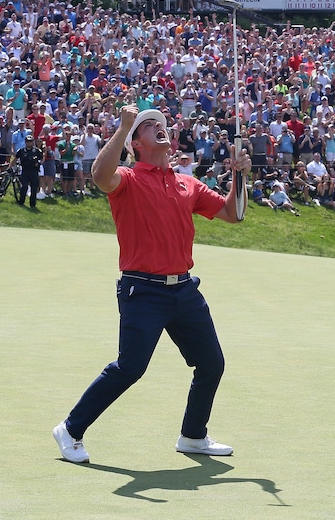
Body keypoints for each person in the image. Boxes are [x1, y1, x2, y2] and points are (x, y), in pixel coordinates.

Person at [53, 106, 251, 464]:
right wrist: (125, 125)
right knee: (130, 368)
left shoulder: (186, 183)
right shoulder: (127, 178)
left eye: (162, 126)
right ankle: (70, 428)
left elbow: (233, 214)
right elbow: (100, 175)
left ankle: (193, 436)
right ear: (136, 145)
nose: (161, 129)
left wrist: (239, 176)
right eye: (149, 126)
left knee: (212, 364)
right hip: (142, 290)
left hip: (184, 290)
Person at [13, 133, 43, 207]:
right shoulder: (21, 151)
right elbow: (15, 159)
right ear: (25, 142)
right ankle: (21, 202)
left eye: (30, 141)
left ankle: (32, 204)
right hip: (25, 171)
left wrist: (38, 164)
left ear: (33, 142)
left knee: (34, 188)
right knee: (24, 187)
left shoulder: (37, 151)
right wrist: (10, 166)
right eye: (28, 141)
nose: (29, 143)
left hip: (34, 171)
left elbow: (41, 160)